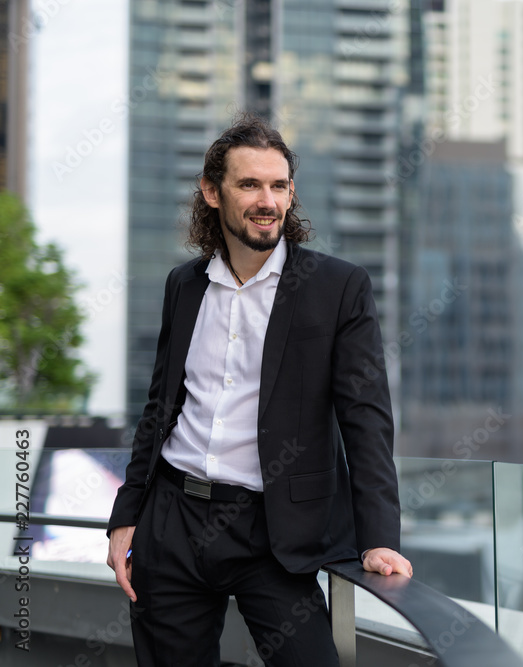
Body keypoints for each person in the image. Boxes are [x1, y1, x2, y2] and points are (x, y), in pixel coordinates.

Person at [106, 114, 411, 666]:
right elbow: (159, 410)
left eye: (278, 185)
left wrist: (380, 538)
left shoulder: (338, 288)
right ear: (211, 192)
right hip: (172, 519)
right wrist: (128, 516)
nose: (266, 200)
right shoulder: (184, 285)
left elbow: (366, 419)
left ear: (292, 194)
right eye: (249, 184)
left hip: (275, 535)